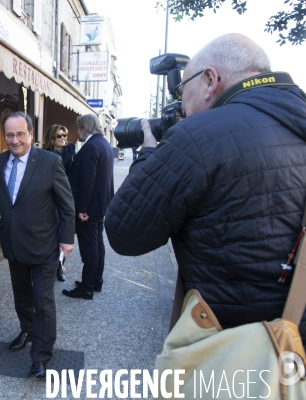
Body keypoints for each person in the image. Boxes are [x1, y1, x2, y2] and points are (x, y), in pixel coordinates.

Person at [105, 33, 306, 340]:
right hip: (294, 346)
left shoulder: (201, 136)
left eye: (184, 92)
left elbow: (124, 233)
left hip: (232, 349)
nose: (183, 109)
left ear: (210, 80)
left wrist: (147, 154)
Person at [0, 111, 75, 379]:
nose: (14, 140)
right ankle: (27, 329)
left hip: (44, 245)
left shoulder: (50, 161)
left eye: (19, 134)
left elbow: (67, 204)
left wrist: (66, 239)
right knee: (22, 297)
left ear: (31, 134)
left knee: (43, 301)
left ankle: (40, 357)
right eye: (9, 135)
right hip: (13, 244)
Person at [63, 114, 114, 300]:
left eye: (79, 128)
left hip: (89, 208)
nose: (78, 133)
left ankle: (87, 287)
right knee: (98, 244)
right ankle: (96, 281)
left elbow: (88, 181)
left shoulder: (92, 146)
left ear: (85, 127)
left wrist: (82, 208)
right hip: (100, 205)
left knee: (90, 248)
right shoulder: (104, 144)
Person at [42, 124, 77, 282]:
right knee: (51, 232)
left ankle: (60, 268)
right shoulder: (45, 154)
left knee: (64, 232)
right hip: (49, 198)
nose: (63, 138)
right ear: (51, 138)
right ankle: (48, 265)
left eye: (65, 135)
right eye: (59, 136)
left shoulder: (70, 152)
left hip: (65, 197)